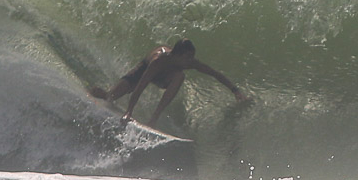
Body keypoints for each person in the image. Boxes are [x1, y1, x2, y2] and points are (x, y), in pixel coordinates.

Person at [89, 38, 251, 127]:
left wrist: (235, 90)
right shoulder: (158, 61)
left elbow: (214, 74)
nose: (190, 61)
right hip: (143, 72)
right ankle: (94, 93)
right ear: (177, 55)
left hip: (164, 77)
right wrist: (129, 111)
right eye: (187, 57)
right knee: (110, 97)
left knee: (179, 76)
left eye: (191, 57)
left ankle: (154, 118)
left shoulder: (187, 62)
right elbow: (140, 86)